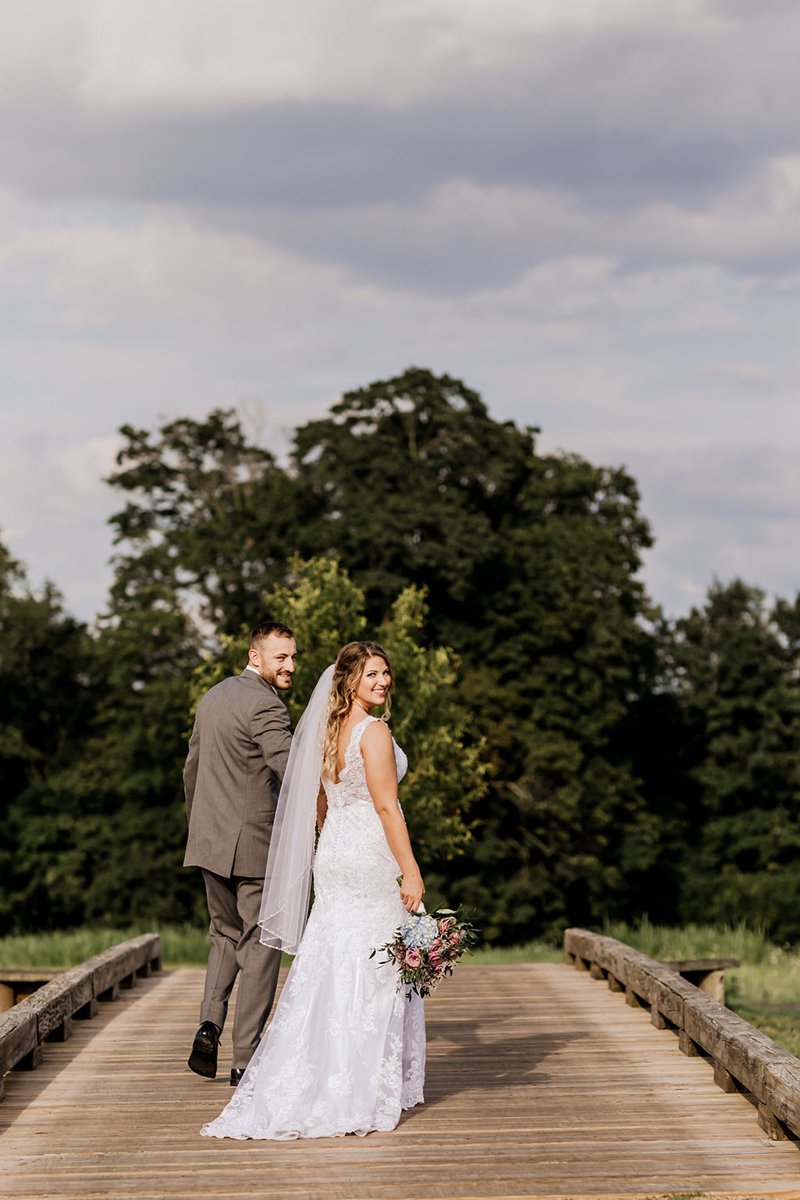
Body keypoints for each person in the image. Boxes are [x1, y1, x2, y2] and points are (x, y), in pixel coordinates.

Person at [201, 640, 426, 1141]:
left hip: (336, 854)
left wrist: (332, 847)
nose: (383, 682)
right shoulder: (375, 732)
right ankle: (358, 1080)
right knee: (376, 966)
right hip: (368, 853)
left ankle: (320, 1071)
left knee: (332, 960)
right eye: (371, 674)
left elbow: (320, 806)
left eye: (386, 673)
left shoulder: (328, 731)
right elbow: (388, 807)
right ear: (349, 681)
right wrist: (410, 869)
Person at [183, 621, 297, 1087]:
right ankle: (245, 1060)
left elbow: (191, 768)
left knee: (225, 934)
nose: (290, 665)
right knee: (262, 944)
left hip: (209, 842)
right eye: (281, 658)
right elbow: (290, 767)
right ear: (255, 657)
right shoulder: (267, 706)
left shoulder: (212, 697)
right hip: (254, 845)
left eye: (293, 656)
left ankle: (209, 1022)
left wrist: (202, 826)